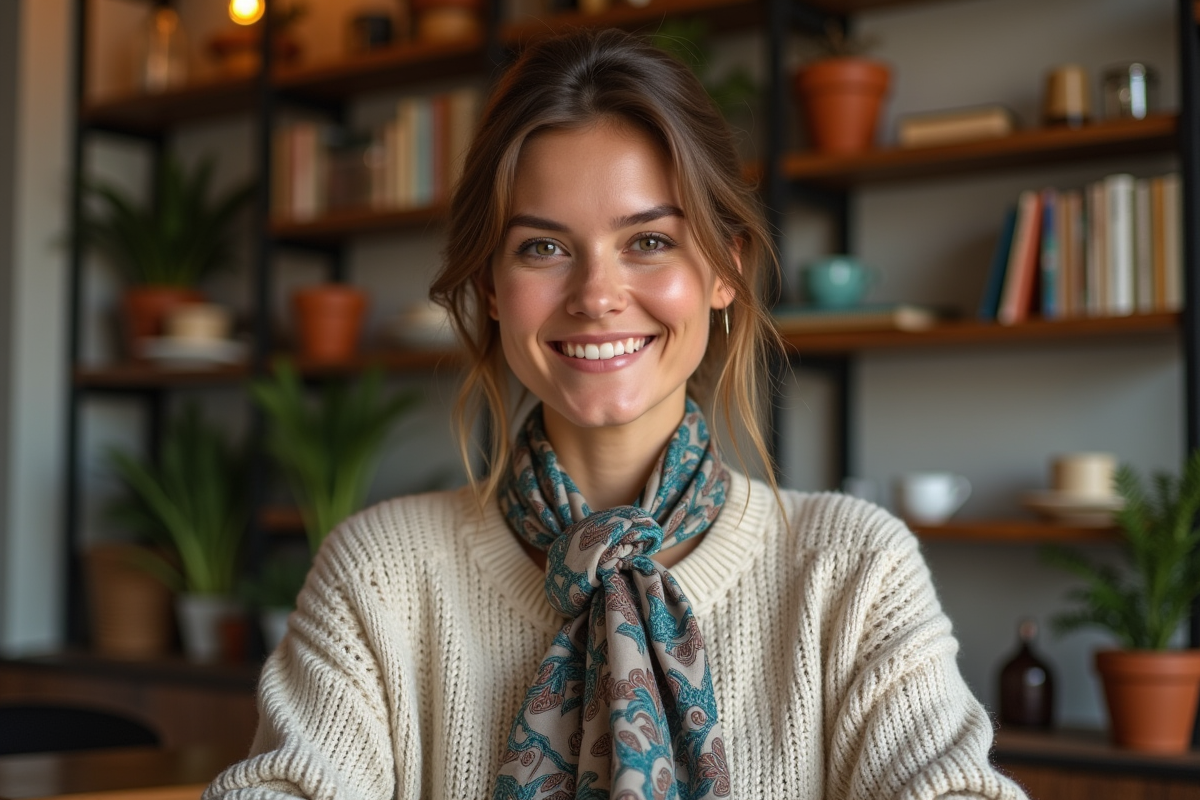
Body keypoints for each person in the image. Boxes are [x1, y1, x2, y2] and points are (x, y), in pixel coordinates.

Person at [205, 28, 1027, 800]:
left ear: (724, 272)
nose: (597, 295)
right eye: (543, 247)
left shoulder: (853, 572)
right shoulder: (377, 578)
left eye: (650, 241)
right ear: (492, 287)